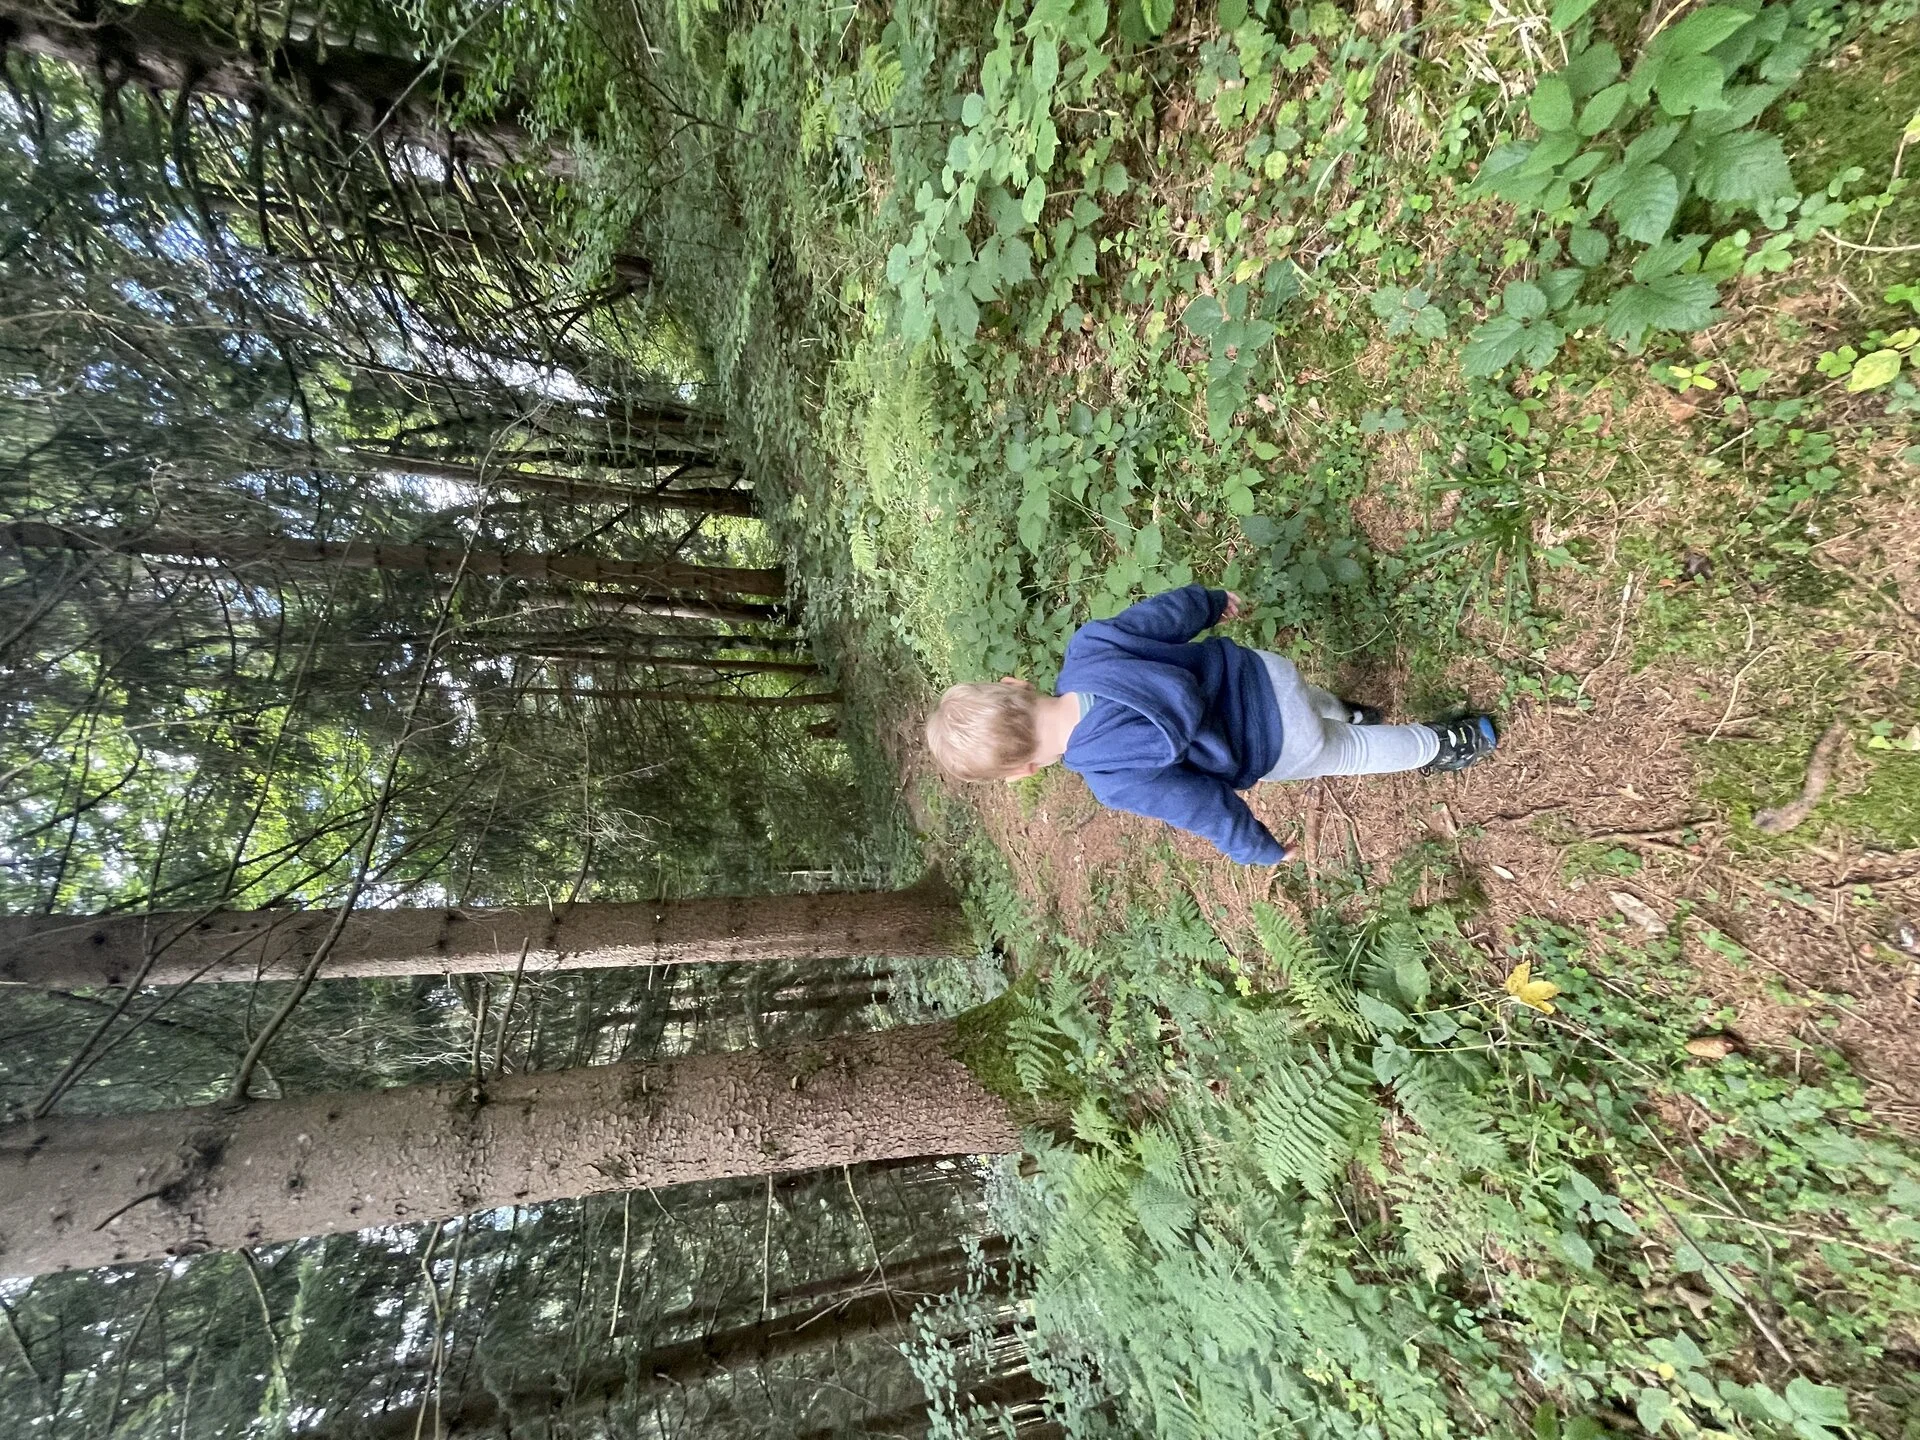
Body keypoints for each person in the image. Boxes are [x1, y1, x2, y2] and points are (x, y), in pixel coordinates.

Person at [923, 584, 1497, 865]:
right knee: (1308, 702)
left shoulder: (1111, 778)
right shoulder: (1090, 648)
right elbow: (1163, 616)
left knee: (1349, 753)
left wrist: (1257, 848)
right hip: (1263, 674)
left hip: (1274, 747)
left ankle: (1443, 743)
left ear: (1024, 771)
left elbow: (1202, 808)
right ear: (1016, 686)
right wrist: (1211, 601)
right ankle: (1347, 708)